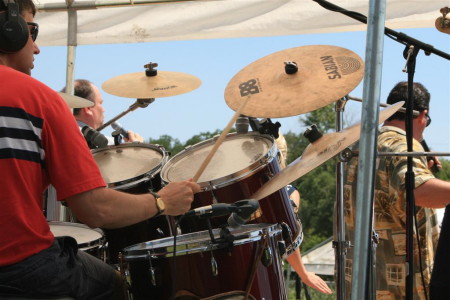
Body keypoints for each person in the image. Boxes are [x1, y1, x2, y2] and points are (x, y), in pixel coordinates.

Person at [0, 1, 200, 299]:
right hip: (20, 267)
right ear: (9, 30)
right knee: (111, 283)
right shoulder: (38, 99)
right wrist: (161, 203)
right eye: (32, 32)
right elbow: (95, 209)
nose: (38, 48)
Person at [343, 81, 450, 299]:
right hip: (401, 288)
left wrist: (422, 170)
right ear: (423, 115)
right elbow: (420, 193)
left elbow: (390, 192)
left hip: (363, 283)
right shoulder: (402, 145)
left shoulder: (360, 144)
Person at [275, 133, 332, 295]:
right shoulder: (290, 193)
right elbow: (288, 233)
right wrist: (303, 273)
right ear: (283, 156)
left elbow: (286, 230)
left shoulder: (289, 193)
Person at [64, 78, 144, 144]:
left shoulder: (58, 134)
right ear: (88, 108)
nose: (103, 110)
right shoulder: (106, 144)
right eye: (100, 103)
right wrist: (137, 150)